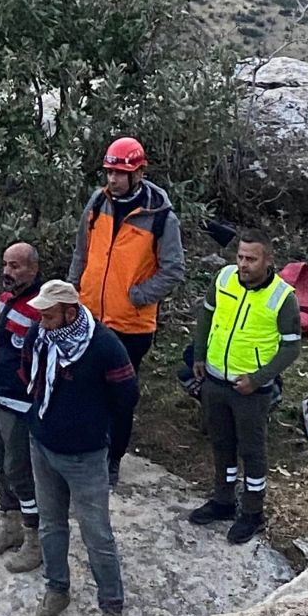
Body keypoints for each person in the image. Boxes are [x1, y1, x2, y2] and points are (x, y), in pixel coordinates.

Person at [21, 280, 139, 616]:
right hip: (42, 444)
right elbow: (26, 372)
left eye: (49, 315)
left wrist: (95, 429)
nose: (42, 322)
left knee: (97, 535)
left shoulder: (103, 346)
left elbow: (127, 397)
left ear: (70, 313)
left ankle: (111, 608)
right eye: (40, 315)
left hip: (85, 457)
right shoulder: (40, 335)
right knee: (51, 525)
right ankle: (57, 588)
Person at [68, 137, 184, 485]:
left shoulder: (160, 214)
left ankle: (113, 458)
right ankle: (86, 448)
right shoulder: (97, 202)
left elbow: (174, 270)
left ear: (138, 173)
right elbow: (81, 251)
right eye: (110, 172)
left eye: (121, 173)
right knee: (84, 387)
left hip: (131, 326)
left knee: (121, 395)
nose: (114, 179)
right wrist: (75, 289)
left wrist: (137, 296)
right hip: (89, 316)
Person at [189, 229, 302, 545]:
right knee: (221, 443)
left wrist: (259, 379)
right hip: (215, 381)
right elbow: (206, 317)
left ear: (268, 260)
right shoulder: (224, 279)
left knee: (252, 452)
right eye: (240, 257)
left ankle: (253, 512)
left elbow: (291, 348)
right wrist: (199, 354)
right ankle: (223, 500)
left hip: (250, 390)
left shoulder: (282, 298)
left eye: (251, 259)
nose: (243, 264)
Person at [0, 241, 43, 573]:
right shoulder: (7, 298)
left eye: (15, 266)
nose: (7, 272)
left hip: (21, 404)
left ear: (33, 269)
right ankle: (10, 523)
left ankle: (35, 538)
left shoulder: (42, 307)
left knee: (20, 468)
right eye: (5, 264)